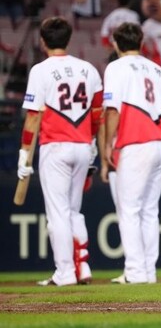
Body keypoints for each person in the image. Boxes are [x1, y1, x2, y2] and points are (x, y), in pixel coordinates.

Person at [19, 17, 104, 286]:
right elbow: (97, 113)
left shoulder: (40, 71)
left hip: (55, 145)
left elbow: (33, 117)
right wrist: (91, 144)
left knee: (58, 213)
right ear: (68, 39)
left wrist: (24, 154)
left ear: (42, 41)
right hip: (81, 145)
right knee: (73, 211)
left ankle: (65, 272)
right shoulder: (88, 69)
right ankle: (84, 266)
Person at [103, 22, 161, 284]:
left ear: (115, 43)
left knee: (130, 210)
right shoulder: (157, 69)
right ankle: (148, 272)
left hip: (136, 143)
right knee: (149, 210)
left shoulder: (116, 67)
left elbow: (112, 109)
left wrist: (108, 144)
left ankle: (135, 272)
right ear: (141, 42)